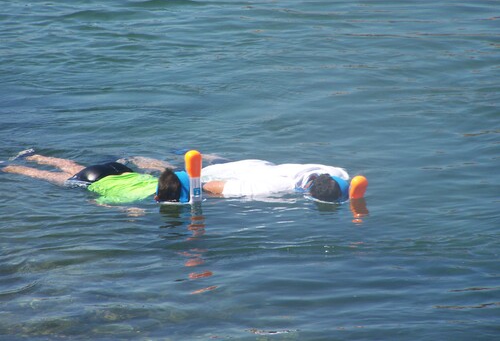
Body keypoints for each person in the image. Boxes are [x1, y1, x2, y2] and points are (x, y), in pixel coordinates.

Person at [1, 150, 190, 204]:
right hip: (95, 180)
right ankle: (9, 167)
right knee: (44, 175)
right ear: (156, 198)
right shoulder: (131, 198)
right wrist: (126, 210)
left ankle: (32, 156)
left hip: (120, 170)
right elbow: (97, 202)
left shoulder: (159, 184)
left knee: (71, 166)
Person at [200, 159, 360, 203]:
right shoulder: (278, 187)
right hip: (242, 176)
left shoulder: (334, 171)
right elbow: (211, 186)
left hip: (255, 164)